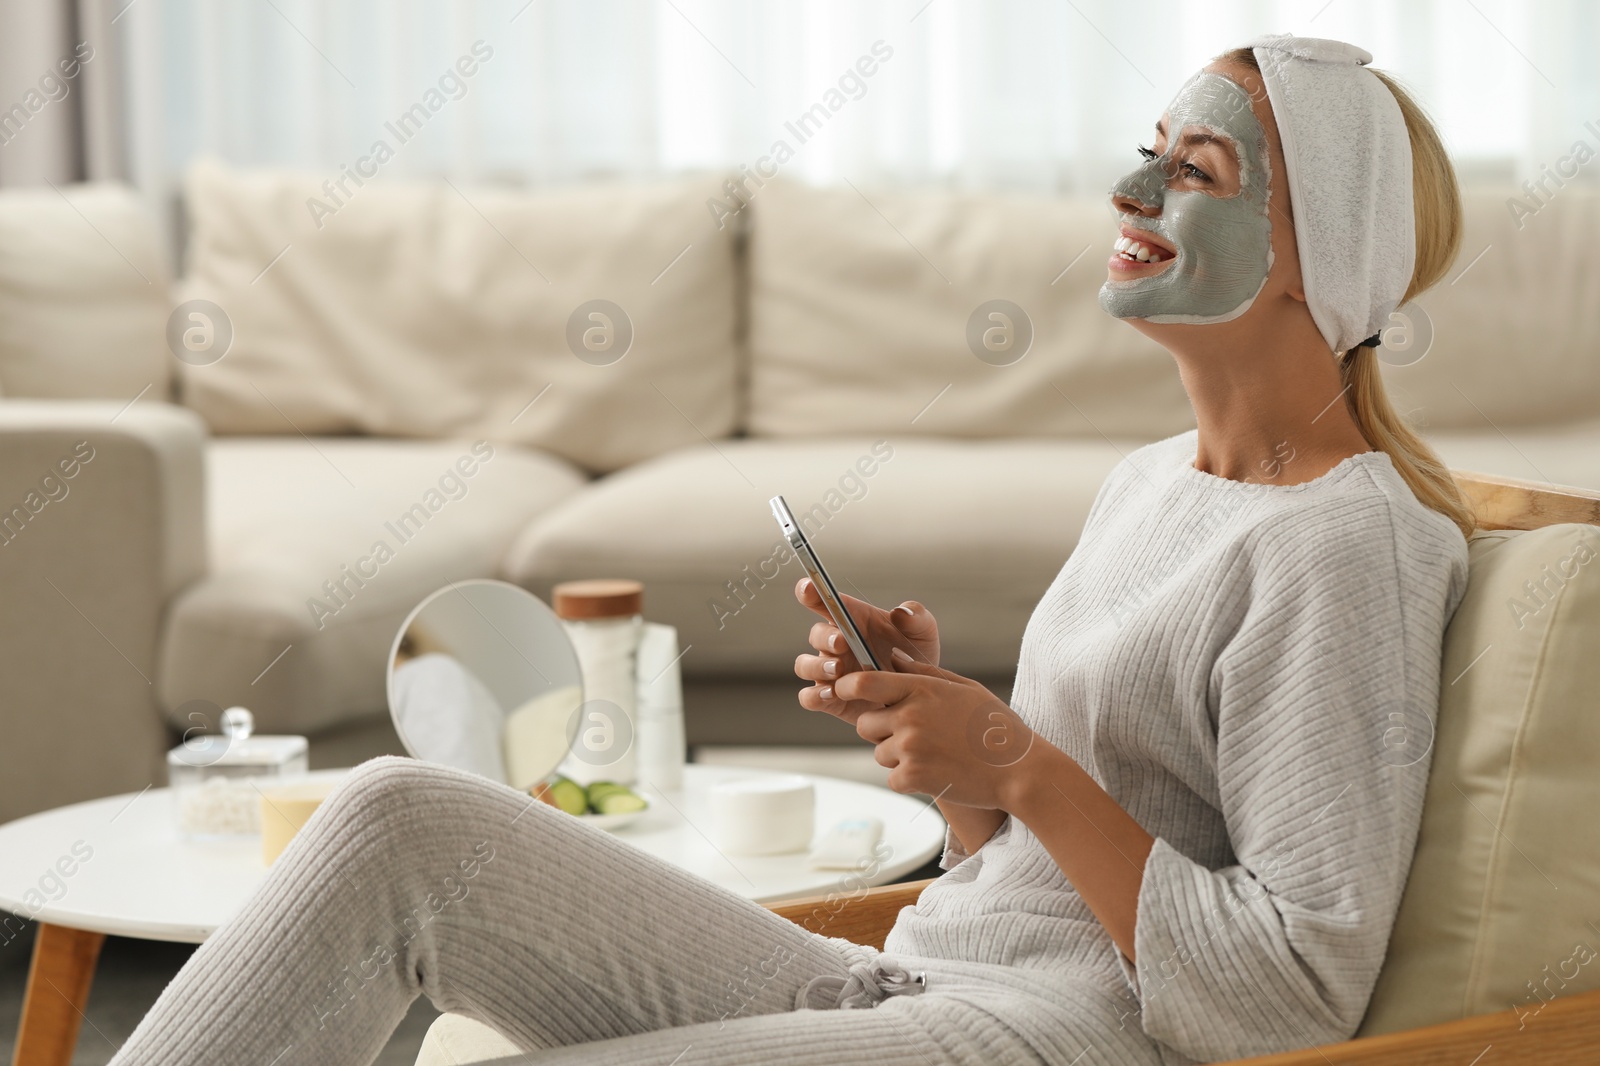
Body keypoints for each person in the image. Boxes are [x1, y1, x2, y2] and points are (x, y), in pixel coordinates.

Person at [109, 34, 1471, 1066]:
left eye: (1195, 171)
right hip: (924, 981)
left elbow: (1293, 993)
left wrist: (1014, 755)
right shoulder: (1150, 483)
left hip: (1065, 1036)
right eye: (1149, 148)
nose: (1131, 185)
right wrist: (959, 770)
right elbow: (1046, 854)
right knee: (397, 816)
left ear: (1312, 251)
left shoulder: (1347, 548)